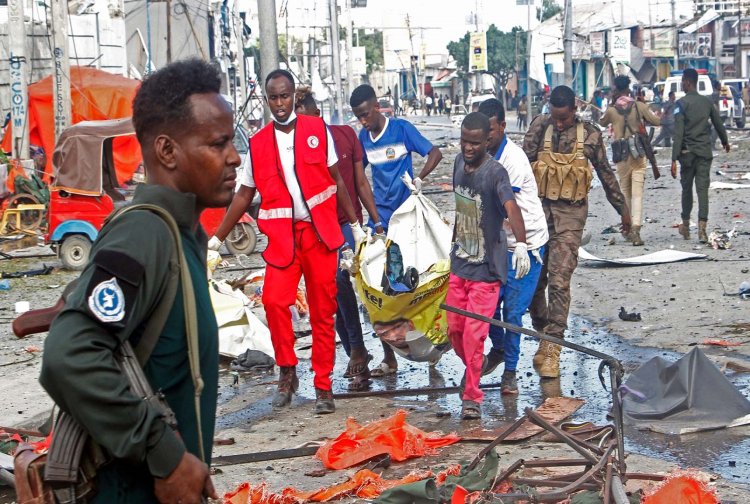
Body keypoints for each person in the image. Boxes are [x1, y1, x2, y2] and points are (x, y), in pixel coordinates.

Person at [39, 58, 233, 503]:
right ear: (167, 151)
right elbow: (69, 354)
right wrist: (164, 453)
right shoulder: (145, 233)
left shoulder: (183, 234)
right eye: (218, 143)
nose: (234, 156)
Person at [210, 69, 366, 414]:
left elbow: (337, 181)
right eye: (273, 98)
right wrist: (216, 239)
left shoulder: (316, 131)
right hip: (282, 239)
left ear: (294, 96)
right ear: (267, 100)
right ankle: (288, 371)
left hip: (319, 234)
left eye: (284, 96)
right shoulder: (259, 142)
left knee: (324, 310)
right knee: (275, 302)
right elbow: (244, 194)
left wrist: (355, 224)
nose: (279, 103)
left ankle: (323, 385)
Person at [524, 85, 631, 378]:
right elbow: (520, 169)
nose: (559, 124)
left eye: (564, 118)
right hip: (537, 215)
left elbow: (606, 173)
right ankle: (543, 331)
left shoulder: (591, 135)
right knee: (535, 282)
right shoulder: (538, 128)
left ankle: (552, 348)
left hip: (570, 216)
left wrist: (622, 209)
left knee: (559, 280)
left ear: (574, 109)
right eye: (555, 118)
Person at [349, 83, 443, 377]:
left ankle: (430, 344)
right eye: (358, 117)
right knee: (375, 289)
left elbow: (435, 153)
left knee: (418, 282)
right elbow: (360, 177)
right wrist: (369, 218)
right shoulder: (363, 139)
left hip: (409, 219)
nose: (363, 121)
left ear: (377, 107)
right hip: (381, 218)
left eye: (365, 114)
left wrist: (420, 179)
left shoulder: (401, 129)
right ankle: (389, 357)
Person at [294, 86, 384, 391]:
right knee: (325, 293)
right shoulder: (294, 149)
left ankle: (361, 348)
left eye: (304, 118)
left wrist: (375, 221)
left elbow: (359, 182)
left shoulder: (345, 135)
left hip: (346, 223)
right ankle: (354, 352)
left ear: (317, 114)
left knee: (343, 278)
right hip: (314, 226)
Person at [447, 112, 529, 419]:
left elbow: (512, 208)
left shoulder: (496, 173)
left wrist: (520, 244)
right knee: (455, 330)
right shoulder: (457, 164)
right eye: (464, 141)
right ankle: (472, 369)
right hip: (460, 264)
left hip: (487, 271)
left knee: (474, 335)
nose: (468, 148)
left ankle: (472, 396)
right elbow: (460, 208)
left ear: (486, 142)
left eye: (475, 143)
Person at [477, 99, 549, 394]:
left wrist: (520, 244)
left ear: (502, 127)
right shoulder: (481, 157)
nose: (485, 137)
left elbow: (505, 208)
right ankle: (500, 348)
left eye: (490, 131)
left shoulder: (513, 160)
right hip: (498, 243)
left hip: (526, 244)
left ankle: (510, 371)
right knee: (489, 307)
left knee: (514, 312)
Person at [599, 75, 661, 246]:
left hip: (621, 156)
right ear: (628, 88)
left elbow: (602, 122)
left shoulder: (612, 110)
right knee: (638, 193)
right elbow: (656, 121)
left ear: (617, 90)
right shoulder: (639, 106)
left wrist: (611, 104)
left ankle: (626, 227)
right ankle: (636, 228)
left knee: (625, 192)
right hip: (638, 154)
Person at [671, 68, 730, 243]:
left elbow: (679, 133)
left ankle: (686, 226)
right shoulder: (707, 102)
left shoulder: (681, 104)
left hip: (687, 155)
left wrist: (674, 158)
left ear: (688, 82)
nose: (682, 84)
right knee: (703, 191)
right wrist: (725, 141)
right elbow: (718, 124)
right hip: (704, 153)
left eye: (683, 80)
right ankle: (702, 230)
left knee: (687, 190)